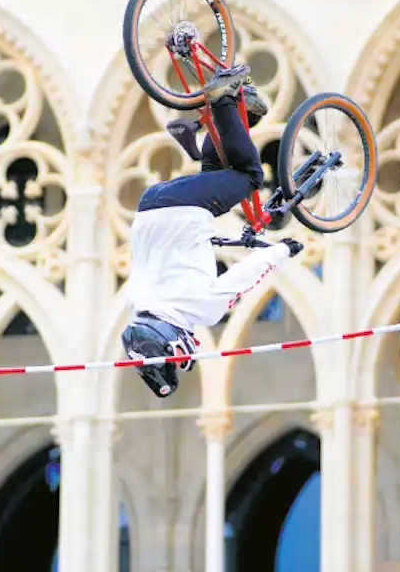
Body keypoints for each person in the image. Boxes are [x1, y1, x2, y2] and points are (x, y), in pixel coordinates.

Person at [120, 64, 304, 397]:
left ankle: (222, 98)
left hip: (185, 209)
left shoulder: (201, 310)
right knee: (217, 170)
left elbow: (245, 275)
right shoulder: (139, 300)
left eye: (177, 355)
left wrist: (282, 250)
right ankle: (238, 111)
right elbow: (172, 254)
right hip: (149, 207)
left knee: (249, 177)